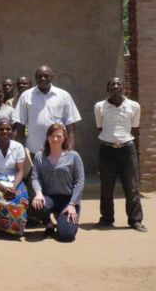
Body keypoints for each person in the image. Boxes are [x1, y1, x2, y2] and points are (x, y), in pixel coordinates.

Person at [94, 77, 146, 232]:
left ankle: (135, 220)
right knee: (106, 186)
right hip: (106, 150)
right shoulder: (99, 107)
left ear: (124, 87)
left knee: (132, 186)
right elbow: (100, 127)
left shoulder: (134, 106)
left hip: (127, 149)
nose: (115, 86)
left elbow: (135, 127)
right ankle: (107, 218)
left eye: (118, 84)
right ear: (107, 88)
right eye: (112, 84)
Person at [32, 124, 84, 242]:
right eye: (51, 136)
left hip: (68, 199)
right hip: (49, 197)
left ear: (64, 138)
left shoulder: (73, 156)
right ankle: (49, 225)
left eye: (58, 136)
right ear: (47, 137)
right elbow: (35, 177)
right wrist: (39, 193)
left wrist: (72, 205)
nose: (55, 139)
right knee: (37, 205)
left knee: (67, 236)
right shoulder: (40, 156)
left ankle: (62, 219)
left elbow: (79, 182)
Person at [14, 65, 81, 153]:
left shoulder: (63, 96)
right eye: (39, 76)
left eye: (46, 76)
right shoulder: (26, 96)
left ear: (52, 77)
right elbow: (20, 126)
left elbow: (70, 125)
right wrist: (17, 150)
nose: (42, 78)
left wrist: (71, 148)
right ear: (35, 78)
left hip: (58, 152)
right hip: (33, 151)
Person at [0, 118, 28, 236]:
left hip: (14, 181)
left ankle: (15, 229)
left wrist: (13, 187)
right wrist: (3, 188)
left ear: (12, 131)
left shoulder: (18, 147)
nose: (5, 132)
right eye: (1, 129)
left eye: (8, 129)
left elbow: (20, 171)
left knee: (21, 198)